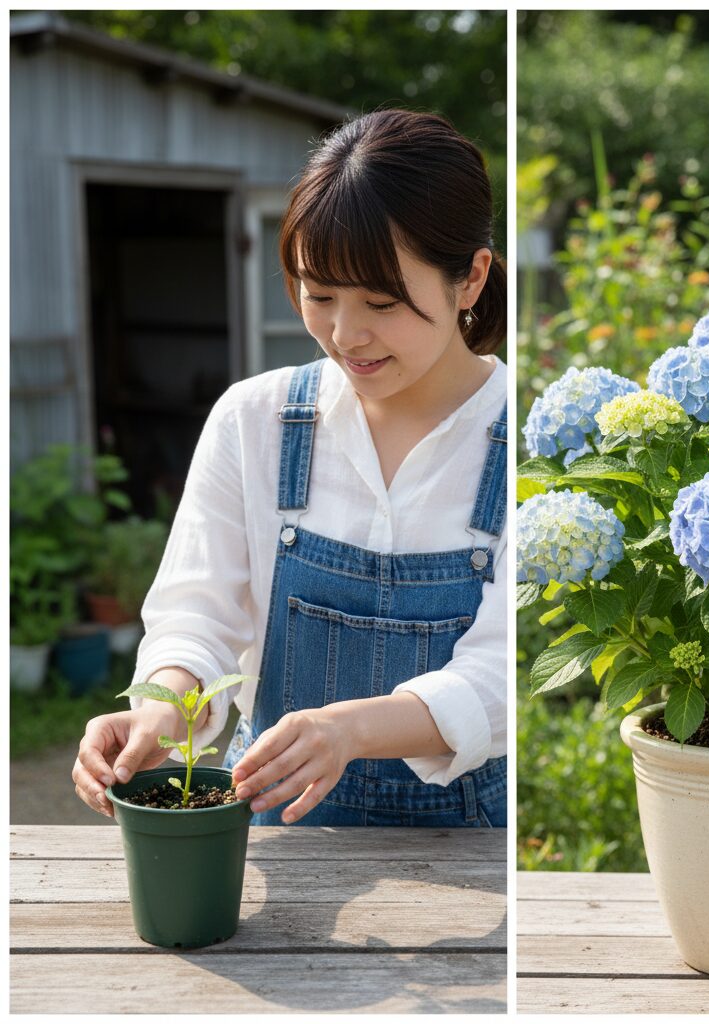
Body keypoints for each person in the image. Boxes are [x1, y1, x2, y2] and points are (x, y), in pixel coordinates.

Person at [72, 108, 507, 827]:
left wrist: (350, 732)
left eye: (380, 301)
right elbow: (198, 613)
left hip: (471, 853)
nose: (345, 334)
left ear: (470, 279)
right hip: (278, 832)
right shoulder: (257, 421)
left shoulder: (517, 437)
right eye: (319, 295)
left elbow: (499, 675)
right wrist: (162, 706)